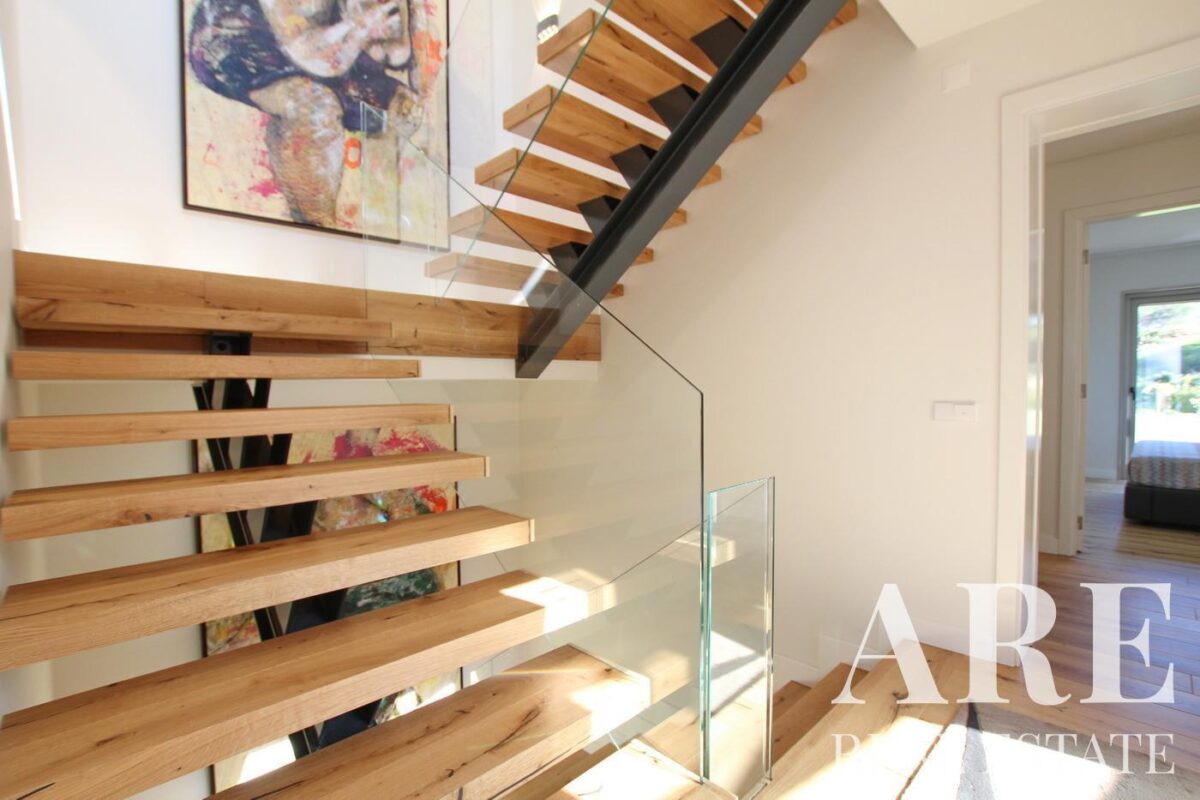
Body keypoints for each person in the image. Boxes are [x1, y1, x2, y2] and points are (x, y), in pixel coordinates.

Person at [189, 0, 436, 228]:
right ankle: (316, 226)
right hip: (250, 45)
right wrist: (362, 27)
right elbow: (314, 55)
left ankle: (379, 228)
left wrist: (384, 35)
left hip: (335, 47)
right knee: (314, 104)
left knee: (403, 110)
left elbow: (401, 53)